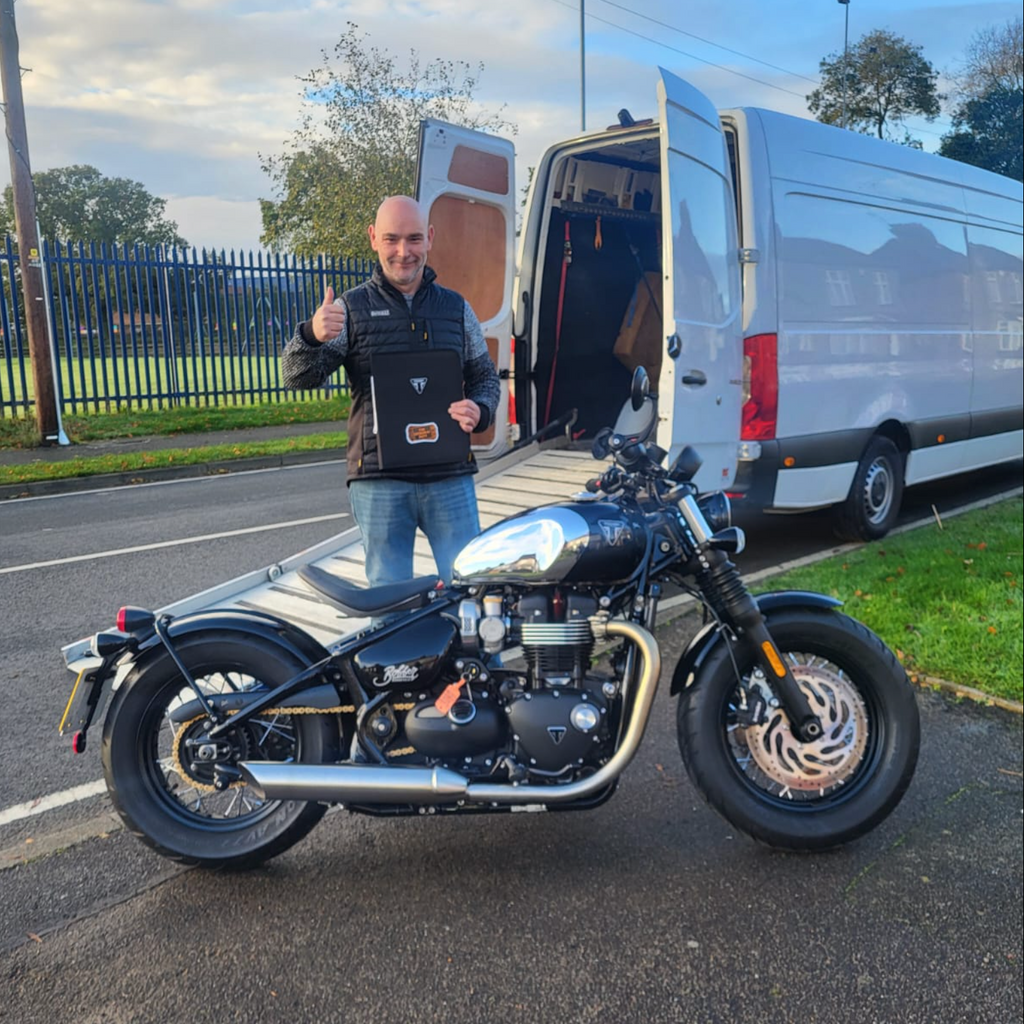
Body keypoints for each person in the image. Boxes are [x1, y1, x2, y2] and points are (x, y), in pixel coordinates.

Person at [281, 195, 500, 588]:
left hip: (449, 476)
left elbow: (485, 376)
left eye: (414, 239)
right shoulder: (350, 310)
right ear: (373, 238)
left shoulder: (455, 309)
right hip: (379, 481)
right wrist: (311, 336)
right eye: (392, 239)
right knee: (389, 601)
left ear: (430, 238)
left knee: (470, 592)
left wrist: (480, 410)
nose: (404, 252)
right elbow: (297, 378)